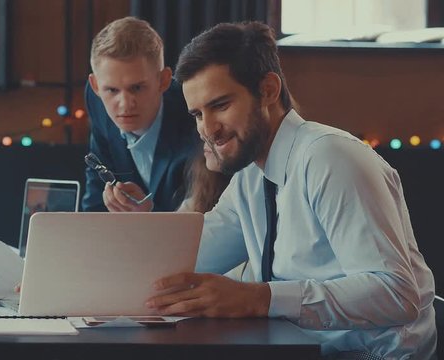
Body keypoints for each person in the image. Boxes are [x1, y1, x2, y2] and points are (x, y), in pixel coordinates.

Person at [145, 22, 436, 359]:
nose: (207, 129)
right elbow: (191, 255)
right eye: (198, 114)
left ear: (268, 90)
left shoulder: (330, 158)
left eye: (221, 105)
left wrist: (257, 298)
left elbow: (397, 295)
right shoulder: (252, 177)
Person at [82, 16, 199, 212]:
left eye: (137, 88)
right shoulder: (97, 103)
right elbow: (94, 200)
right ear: (95, 86)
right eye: (112, 90)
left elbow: (207, 221)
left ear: (163, 80)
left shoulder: (194, 114)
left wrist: (149, 217)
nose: (125, 104)